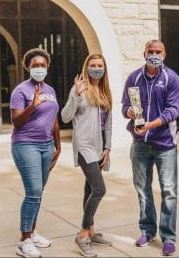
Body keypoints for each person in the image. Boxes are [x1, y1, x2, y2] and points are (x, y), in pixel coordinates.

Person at [121, 39, 179, 256]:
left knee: (169, 190)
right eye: (151, 51)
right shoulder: (134, 77)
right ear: (144, 53)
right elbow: (125, 106)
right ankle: (147, 230)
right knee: (142, 189)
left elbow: (173, 111)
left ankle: (168, 237)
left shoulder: (171, 78)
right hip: (139, 144)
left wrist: (150, 125)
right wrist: (129, 112)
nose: (154, 54)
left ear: (164, 54)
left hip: (165, 145)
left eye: (158, 51)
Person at [10, 48, 61, 258]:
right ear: (28, 68)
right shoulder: (20, 91)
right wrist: (32, 105)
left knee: (38, 193)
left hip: (47, 145)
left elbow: (54, 119)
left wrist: (58, 146)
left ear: (47, 67)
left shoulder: (50, 89)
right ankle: (24, 241)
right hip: (26, 145)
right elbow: (16, 121)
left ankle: (31, 232)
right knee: (33, 192)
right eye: (35, 66)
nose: (39, 68)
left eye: (42, 65)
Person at [61, 54, 113, 257]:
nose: (96, 69)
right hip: (84, 146)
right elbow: (65, 116)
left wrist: (108, 147)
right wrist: (76, 95)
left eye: (100, 65)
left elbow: (108, 124)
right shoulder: (79, 88)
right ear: (86, 67)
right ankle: (83, 234)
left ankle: (91, 230)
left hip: (100, 147)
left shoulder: (105, 91)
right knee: (99, 189)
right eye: (93, 65)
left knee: (90, 188)